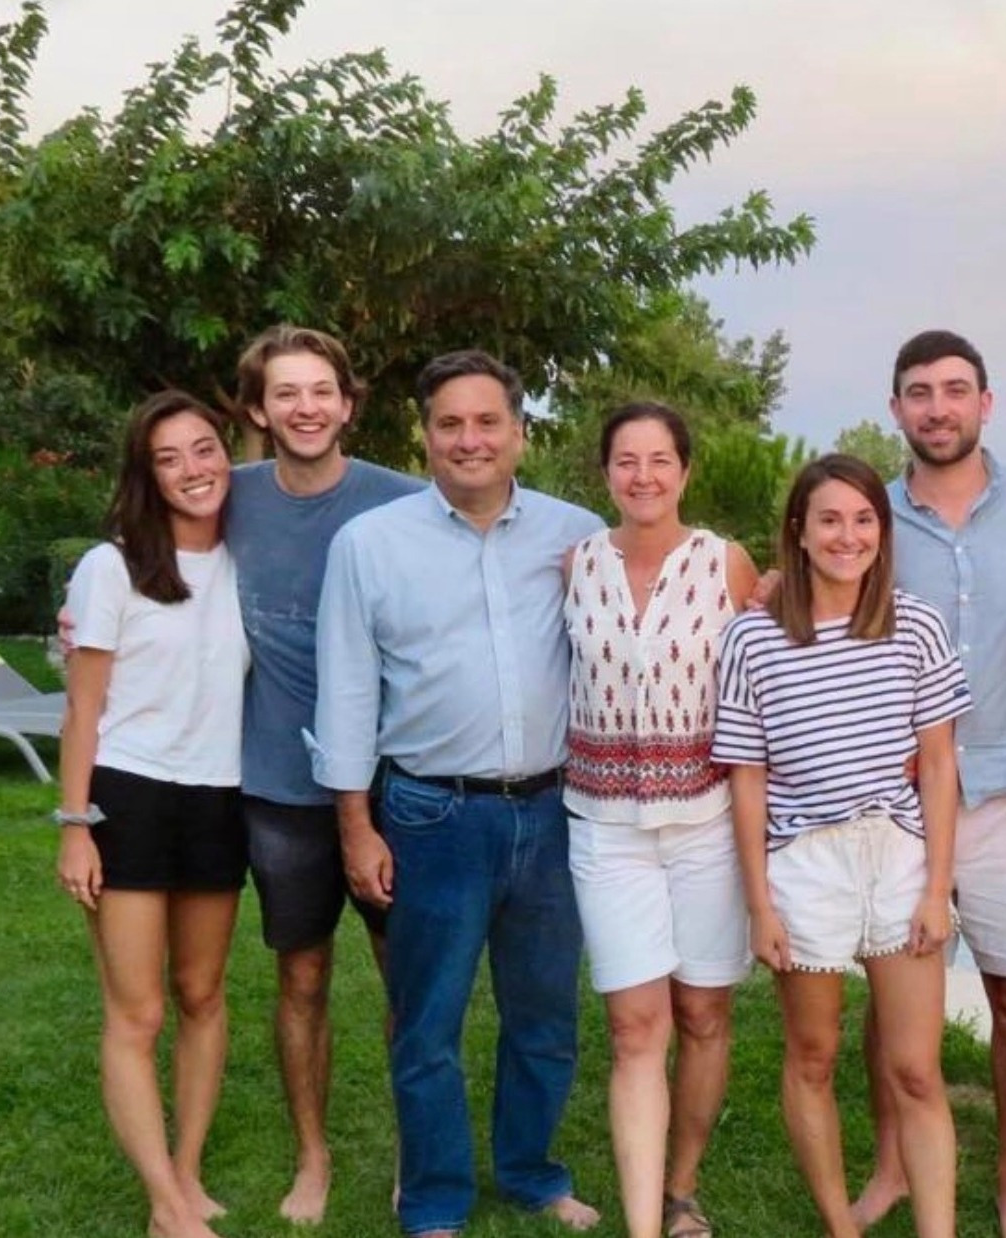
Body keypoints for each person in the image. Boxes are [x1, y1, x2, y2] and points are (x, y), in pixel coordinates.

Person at [309, 349, 603, 1238]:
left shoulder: (576, 535)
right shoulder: (370, 545)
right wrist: (356, 828)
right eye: (450, 424)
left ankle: (529, 1172)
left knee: (545, 1015)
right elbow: (348, 692)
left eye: (486, 422)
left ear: (518, 432)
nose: (469, 440)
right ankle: (435, 1199)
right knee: (426, 1023)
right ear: (424, 435)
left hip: (553, 813)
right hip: (429, 815)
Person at [861, 329, 1006, 1238]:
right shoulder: (868, 515)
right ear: (896, 410)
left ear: (985, 403)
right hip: (899, 799)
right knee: (892, 1001)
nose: (937, 407)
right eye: (918, 392)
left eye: (955, 390)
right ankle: (890, 1165)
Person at [713, 454, 971, 1238]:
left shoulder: (913, 623)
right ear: (798, 530)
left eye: (863, 519)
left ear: (881, 533)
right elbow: (747, 780)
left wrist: (936, 888)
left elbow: (936, 762)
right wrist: (760, 906)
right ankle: (840, 1225)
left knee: (916, 1071)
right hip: (804, 864)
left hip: (895, 855)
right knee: (814, 1055)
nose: (846, 535)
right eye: (828, 518)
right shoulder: (753, 638)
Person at [229, 324, 421, 1223]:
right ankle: (314, 1157)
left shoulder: (406, 504)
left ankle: (415, 1155)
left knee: (405, 977)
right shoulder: (223, 498)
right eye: (285, 394)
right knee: (300, 977)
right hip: (279, 786)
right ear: (258, 410)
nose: (304, 409)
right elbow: (136, 547)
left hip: (395, 784)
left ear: (348, 403)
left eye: (320, 392)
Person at [561, 402, 759, 1238]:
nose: (642, 476)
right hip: (605, 826)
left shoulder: (728, 565)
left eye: (659, 460)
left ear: (685, 470)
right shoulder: (574, 564)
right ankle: (645, 1227)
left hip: (708, 822)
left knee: (704, 1016)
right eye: (625, 461)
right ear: (604, 472)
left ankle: (682, 1191)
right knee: (634, 1024)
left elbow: (765, 678)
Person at [56, 392, 251, 1238]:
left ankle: (186, 1173)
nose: (191, 470)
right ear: (147, 474)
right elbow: (84, 707)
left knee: (203, 993)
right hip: (128, 795)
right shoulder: (113, 566)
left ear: (228, 455)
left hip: (220, 797)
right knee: (137, 1013)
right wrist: (75, 824)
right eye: (168, 458)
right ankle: (167, 1210)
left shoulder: (253, 558)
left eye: (203, 449)